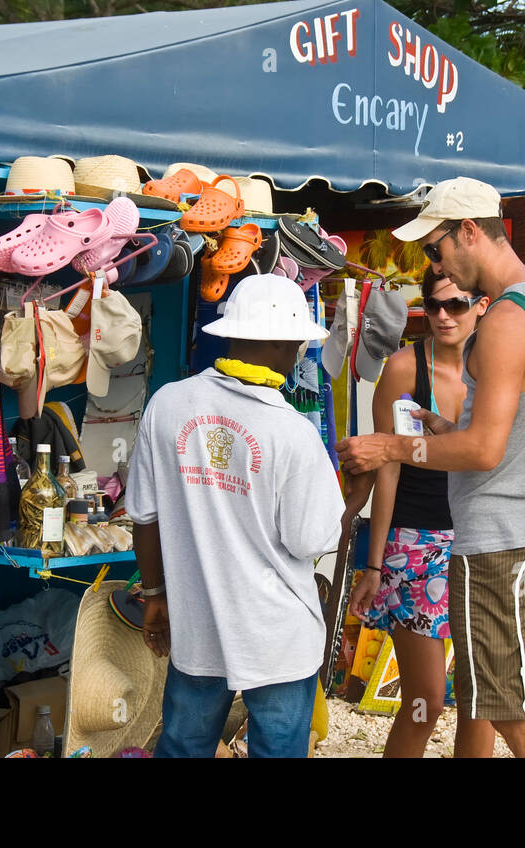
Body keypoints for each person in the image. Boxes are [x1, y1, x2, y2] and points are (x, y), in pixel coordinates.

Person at [336, 176, 525, 759]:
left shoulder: (503, 323)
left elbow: (484, 453)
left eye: (435, 246)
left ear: (470, 232)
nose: (433, 260)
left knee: (510, 712)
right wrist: (448, 432)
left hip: (498, 544)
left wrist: (392, 448)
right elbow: (516, 431)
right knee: (522, 701)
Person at [126, 273, 344, 758]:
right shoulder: (291, 432)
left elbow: (144, 515)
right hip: (277, 636)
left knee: (183, 746)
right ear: (281, 342)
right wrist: (356, 488)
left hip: (198, 624)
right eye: (297, 344)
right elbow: (310, 541)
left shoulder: (168, 405)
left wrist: (156, 594)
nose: (299, 354)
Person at [346, 266, 487, 757]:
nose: (445, 316)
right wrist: (374, 563)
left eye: (457, 305)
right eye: (434, 306)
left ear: (480, 307)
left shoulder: (495, 368)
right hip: (416, 541)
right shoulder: (406, 369)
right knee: (424, 698)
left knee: (481, 696)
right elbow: (387, 467)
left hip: (481, 538)